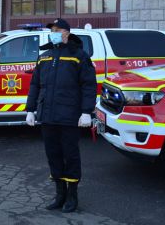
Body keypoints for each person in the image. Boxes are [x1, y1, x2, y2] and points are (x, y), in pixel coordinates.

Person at [25, 18, 97, 213]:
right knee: (53, 155)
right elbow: (35, 85)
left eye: (57, 30)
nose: (53, 33)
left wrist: (86, 112)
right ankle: (60, 194)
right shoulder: (45, 56)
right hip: (47, 116)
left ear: (66, 32)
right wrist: (30, 110)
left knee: (70, 156)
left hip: (69, 116)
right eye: (52, 30)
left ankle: (72, 196)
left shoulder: (78, 56)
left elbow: (89, 85)